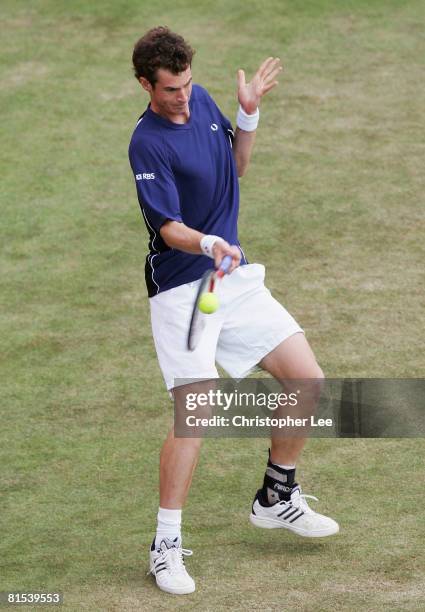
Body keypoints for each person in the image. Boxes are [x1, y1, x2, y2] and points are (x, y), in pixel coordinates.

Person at [128, 26, 339, 596]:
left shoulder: (204, 104)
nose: (183, 97)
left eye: (188, 85)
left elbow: (236, 168)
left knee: (307, 380)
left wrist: (247, 117)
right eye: (171, 89)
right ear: (146, 84)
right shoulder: (146, 143)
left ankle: (276, 496)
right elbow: (169, 230)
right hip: (184, 288)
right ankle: (164, 545)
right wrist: (209, 244)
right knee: (196, 411)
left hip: (233, 278)